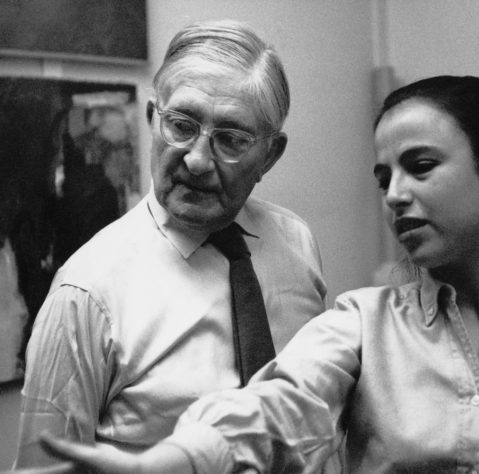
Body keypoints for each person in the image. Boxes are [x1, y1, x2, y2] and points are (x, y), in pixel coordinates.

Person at [42, 75, 479, 474]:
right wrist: (184, 456)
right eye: (384, 178)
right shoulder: (362, 324)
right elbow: (281, 403)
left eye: (421, 166)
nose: (396, 195)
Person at [14, 19, 327, 468]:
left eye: (231, 139)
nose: (198, 161)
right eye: (181, 125)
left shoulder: (297, 244)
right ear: (151, 121)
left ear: (270, 156)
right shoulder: (86, 293)